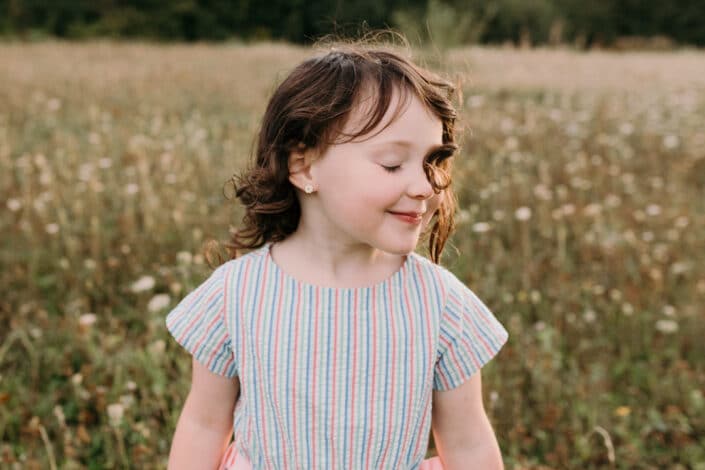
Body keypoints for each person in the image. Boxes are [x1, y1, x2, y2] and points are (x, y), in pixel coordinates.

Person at [165, 38, 509, 470]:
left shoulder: (439, 303)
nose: (425, 186)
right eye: (391, 164)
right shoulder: (236, 293)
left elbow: (469, 442)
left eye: (432, 162)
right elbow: (204, 424)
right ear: (304, 167)